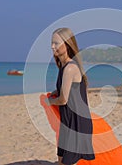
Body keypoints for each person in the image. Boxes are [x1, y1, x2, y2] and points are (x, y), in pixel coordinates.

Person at [46, 28, 95, 165]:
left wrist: (49, 101)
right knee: (61, 159)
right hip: (68, 122)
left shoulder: (70, 68)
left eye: (56, 43)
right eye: (51, 43)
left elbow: (63, 100)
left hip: (76, 123)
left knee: (66, 162)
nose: (52, 46)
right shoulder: (63, 66)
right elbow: (66, 91)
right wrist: (56, 92)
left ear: (67, 44)